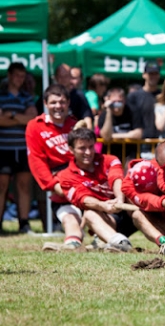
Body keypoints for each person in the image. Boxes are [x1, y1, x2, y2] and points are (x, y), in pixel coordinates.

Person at [56, 128, 136, 252]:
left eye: (91, 147)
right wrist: (103, 206)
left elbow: (116, 178)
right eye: (82, 148)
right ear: (71, 150)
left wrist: (119, 199)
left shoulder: (110, 160)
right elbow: (83, 199)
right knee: (89, 214)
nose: (88, 152)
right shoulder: (65, 176)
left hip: (128, 212)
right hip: (105, 218)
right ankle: (120, 242)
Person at [26, 84, 84, 248]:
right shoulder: (35, 126)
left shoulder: (75, 125)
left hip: (81, 176)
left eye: (62, 102)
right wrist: (53, 185)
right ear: (45, 103)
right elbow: (36, 160)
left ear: (68, 103)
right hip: (57, 178)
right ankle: (72, 238)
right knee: (68, 213)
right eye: (53, 102)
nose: (58, 106)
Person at [0, 62, 37, 233]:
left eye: (22, 76)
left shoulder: (27, 96)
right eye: (16, 75)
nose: (19, 79)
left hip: (23, 148)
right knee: (2, 185)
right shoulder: (1, 95)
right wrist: (20, 118)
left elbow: (32, 119)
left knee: (23, 185)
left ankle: (24, 223)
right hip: (4, 148)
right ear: (9, 76)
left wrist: (12, 115)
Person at [36, 64, 94, 129]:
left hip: (73, 133)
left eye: (65, 76)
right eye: (60, 76)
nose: (63, 79)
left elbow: (87, 117)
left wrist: (88, 134)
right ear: (56, 77)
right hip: (50, 132)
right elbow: (37, 115)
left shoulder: (78, 96)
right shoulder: (48, 94)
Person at [126, 61, 162, 158]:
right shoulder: (133, 96)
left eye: (155, 74)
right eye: (150, 74)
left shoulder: (163, 95)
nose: (153, 77)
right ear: (144, 75)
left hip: (159, 142)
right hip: (138, 144)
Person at [98, 87, 143, 161]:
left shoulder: (133, 111)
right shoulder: (104, 114)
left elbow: (138, 134)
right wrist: (109, 111)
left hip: (130, 155)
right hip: (110, 154)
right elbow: (105, 136)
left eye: (119, 101)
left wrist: (113, 136)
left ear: (124, 101)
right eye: (114, 102)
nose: (117, 104)